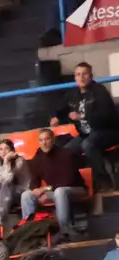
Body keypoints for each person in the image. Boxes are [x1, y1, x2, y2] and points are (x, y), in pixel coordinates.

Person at [51, 62, 119, 191]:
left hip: (107, 131)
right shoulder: (72, 94)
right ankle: (77, 184)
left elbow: (107, 115)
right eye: (78, 74)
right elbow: (61, 108)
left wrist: (83, 117)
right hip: (85, 134)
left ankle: (104, 181)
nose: (81, 77)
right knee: (65, 152)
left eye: (84, 74)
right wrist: (56, 117)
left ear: (91, 76)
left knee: (88, 144)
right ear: (75, 78)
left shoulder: (99, 91)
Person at [23, 127, 87, 239]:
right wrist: (36, 190)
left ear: (53, 140)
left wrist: (45, 189)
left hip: (75, 189)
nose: (44, 143)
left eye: (47, 139)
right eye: (41, 140)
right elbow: (34, 181)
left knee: (60, 191)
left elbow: (67, 181)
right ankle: (29, 231)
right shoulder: (38, 157)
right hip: (54, 191)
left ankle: (64, 229)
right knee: (26, 195)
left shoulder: (65, 154)